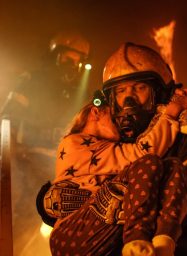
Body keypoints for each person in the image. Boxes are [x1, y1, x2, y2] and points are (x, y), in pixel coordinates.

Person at [101, 42, 187, 255]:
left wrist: (134, 208)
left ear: (160, 92)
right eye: (121, 91)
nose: (128, 100)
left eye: (139, 88)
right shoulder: (111, 139)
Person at [41, 88, 187, 256]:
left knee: (173, 167)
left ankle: (163, 245)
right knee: (148, 163)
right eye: (114, 118)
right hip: (72, 235)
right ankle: (137, 243)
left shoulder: (103, 150)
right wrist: (172, 111)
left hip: (100, 234)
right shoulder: (74, 143)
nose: (120, 123)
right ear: (96, 112)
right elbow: (142, 153)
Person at [0, 30, 91, 254]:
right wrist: (13, 152)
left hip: (56, 168)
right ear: (55, 56)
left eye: (77, 61)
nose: (72, 65)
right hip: (24, 160)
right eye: (67, 58)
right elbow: (7, 119)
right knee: (17, 215)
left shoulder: (78, 92)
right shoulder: (32, 81)